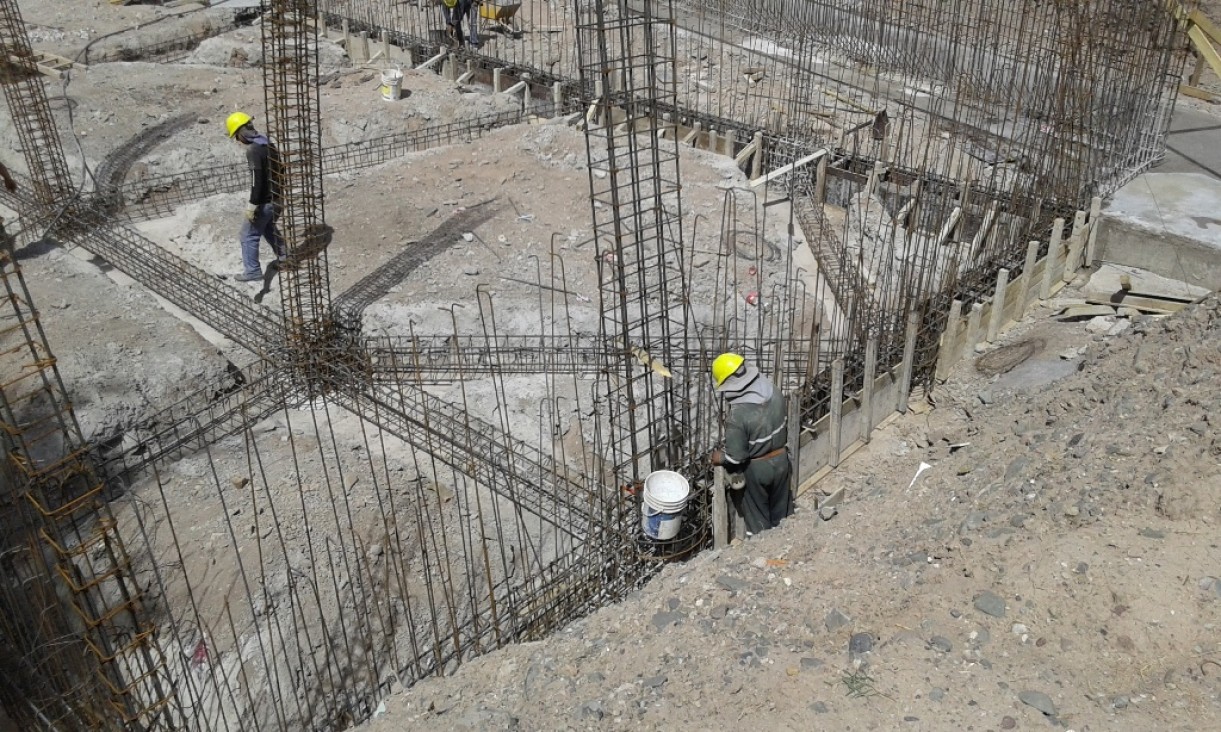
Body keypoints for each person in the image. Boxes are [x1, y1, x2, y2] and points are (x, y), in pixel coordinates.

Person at [709, 352, 793, 535]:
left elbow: (736, 457)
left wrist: (719, 458)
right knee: (783, 516)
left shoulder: (737, 417)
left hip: (757, 471)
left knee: (758, 522)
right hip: (782, 461)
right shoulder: (774, 391)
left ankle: (764, 554)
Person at [226, 111, 285, 282]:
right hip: (277, 198)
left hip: (265, 202)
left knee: (248, 234)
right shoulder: (267, 143)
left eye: (237, 136)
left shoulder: (253, 150)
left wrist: (253, 205)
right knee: (268, 227)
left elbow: (256, 181)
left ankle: (252, 272)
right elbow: (281, 169)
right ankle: (285, 256)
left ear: (241, 132)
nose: (238, 141)